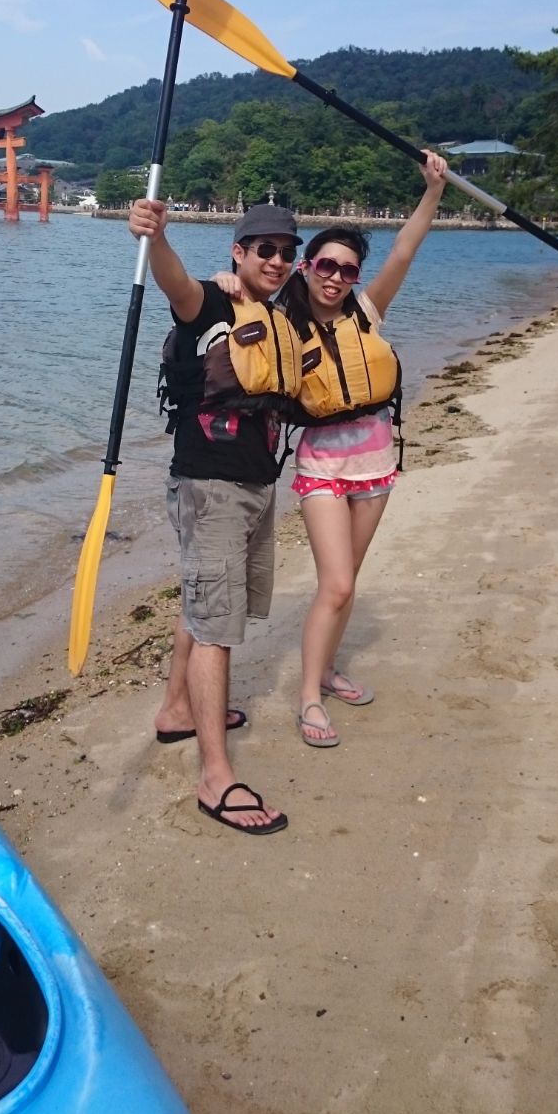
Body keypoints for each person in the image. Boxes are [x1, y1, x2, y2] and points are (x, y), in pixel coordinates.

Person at [213, 151, 447, 748]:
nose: (336, 276)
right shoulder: (282, 321)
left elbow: (404, 251)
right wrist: (226, 283)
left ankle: (326, 667)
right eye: (324, 264)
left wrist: (432, 193)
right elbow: (237, 293)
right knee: (337, 584)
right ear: (307, 267)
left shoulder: (367, 315)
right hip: (322, 466)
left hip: (376, 461)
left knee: (348, 581)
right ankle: (310, 698)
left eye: (348, 269)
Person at [128, 197, 302, 833]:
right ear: (239, 251)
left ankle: (176, 709)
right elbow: (173, 280)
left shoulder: (276, 312)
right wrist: (158, 234)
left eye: (288, 252)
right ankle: (215, 776)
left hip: (255, 485)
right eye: (265, 250)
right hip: (211, 487)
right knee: (216, 628)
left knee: (205, 609)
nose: (278, 261)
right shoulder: (210, 300)